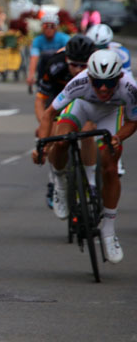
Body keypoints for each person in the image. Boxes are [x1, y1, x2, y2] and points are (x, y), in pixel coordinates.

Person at [33, 49, 137, 264]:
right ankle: (60, 182)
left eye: (109, 83)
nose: (103, 88)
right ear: (90, 77)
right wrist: (42, 144)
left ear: (119, 77)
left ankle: (108, 231)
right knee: (60, 141)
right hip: (81, 108)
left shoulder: (129, 88)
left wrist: (118, 137)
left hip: (110, 115)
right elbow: (49, 114)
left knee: (110, 166)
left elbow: (133, 120)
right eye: (97, 82)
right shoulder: (79, 82)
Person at [33, 35, 96, 210]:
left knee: (88, 131)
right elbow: (41, 101)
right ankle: (57, 182)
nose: (78, 69)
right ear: (66, 59)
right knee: (56, 138)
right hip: (58, 101)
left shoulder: (99, 67)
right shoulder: (55, 65)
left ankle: (91, 183)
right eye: (73, 64)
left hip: (86, 102)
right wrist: (43, 125)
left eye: (83, 66)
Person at [26, 12, 70, 86]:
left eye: (52, 26)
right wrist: (31, 75)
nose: (49, 29)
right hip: (45, 66)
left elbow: (69, 55)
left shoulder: (64, 38)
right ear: (42, 27)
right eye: (46, 26)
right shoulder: (37, 40)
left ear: (56, 27)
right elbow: (34, 58)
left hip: (61, 65)